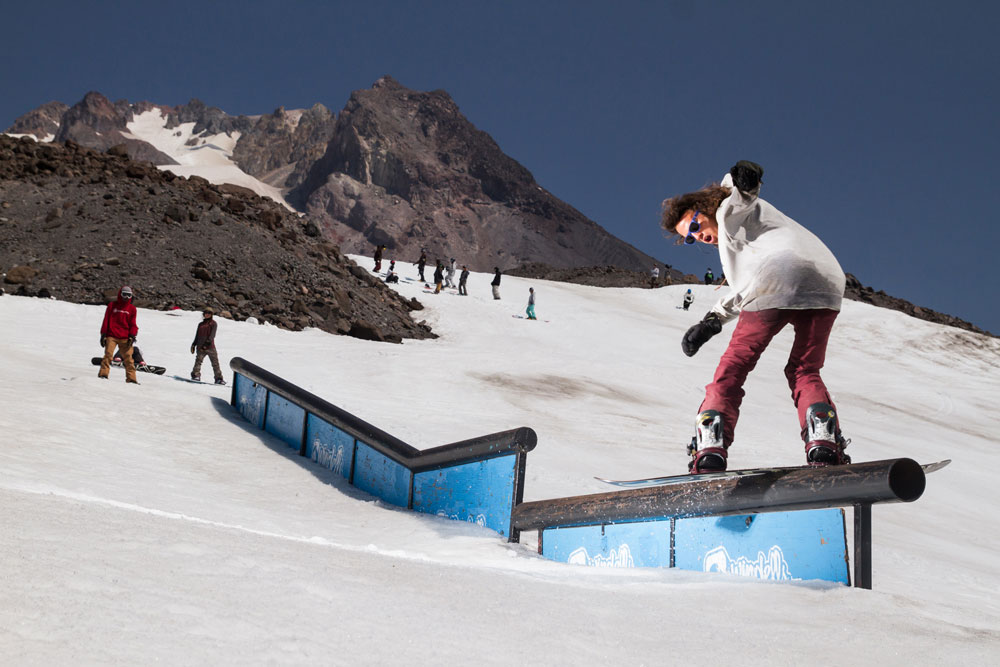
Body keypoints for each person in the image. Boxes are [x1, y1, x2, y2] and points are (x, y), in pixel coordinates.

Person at [661, 160, 848, 473]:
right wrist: (711, 322)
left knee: (733, 368)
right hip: (826, 283)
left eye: (695, 226)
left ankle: (710, 448)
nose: (698, 236)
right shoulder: (753, 235)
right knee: (805, 369)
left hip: (777, 278)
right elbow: (752, 284)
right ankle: (823, 441)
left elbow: (740, 198)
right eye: (689, 238)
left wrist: (744, 179)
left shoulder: (727, 212)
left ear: (704, 207)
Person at [98, 285, 139, 384]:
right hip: (112, 336)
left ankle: (131, 379)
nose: (126, 297)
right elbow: (106, 320)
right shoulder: (112, 306)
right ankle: (103, 374)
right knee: (108, 355)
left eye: (128, 295)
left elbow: (133, 324)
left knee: (129, 359)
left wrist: (132, 336)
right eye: (124, 294)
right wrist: (103, 334)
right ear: (120, 294)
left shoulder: (132, 309)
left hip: (125, 338)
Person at [190, 307, 225, 384]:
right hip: (200, 346)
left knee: (215, 363)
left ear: (211, 314)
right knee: (198, 361)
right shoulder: (200, 324)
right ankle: (195, 375)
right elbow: (197, 335)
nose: (207, 314)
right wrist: (194, 344)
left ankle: (218, 378)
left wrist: (207, 344)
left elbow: (212, 335)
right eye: (206, 313)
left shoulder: (213, 323)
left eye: (209, 313)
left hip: (210, 347)